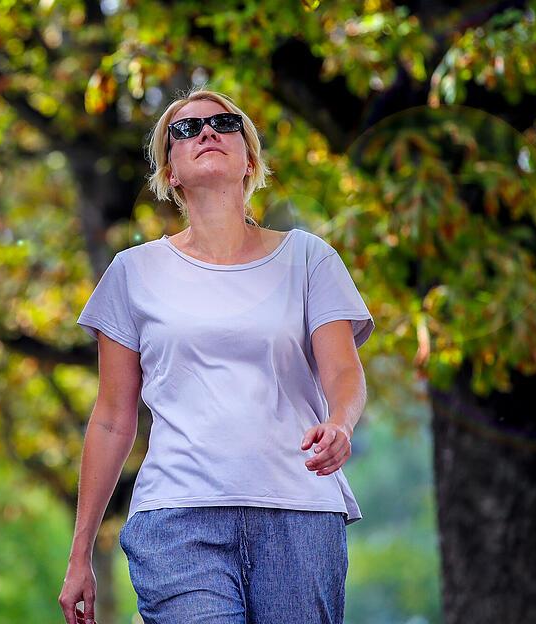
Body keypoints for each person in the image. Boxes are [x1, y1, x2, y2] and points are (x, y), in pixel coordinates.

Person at [58, 88, 375, 624]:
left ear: (249, 159)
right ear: (171, 172)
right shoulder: (132, 273)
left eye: (224, 124)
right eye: (186, 129)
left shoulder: (309, 258)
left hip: (299, 514)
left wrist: (341, 424)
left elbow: (344, 372)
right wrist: (80, 552)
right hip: (178, 518)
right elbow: (113, 419)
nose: (207, 133)